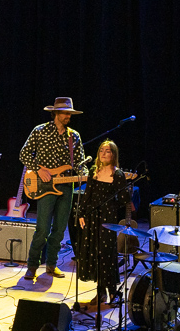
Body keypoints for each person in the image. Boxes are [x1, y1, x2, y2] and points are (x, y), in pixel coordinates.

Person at [20, 97, 87, 280]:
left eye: (70, 114)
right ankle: (32, 265)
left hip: (66, 186)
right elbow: (24, 154)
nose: (69, 117)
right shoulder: (40, 131)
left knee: (59, 229)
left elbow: (80, 164)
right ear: (56, 113)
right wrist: (39, 169)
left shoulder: (74, 136)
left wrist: (86, 174)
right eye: (66, 113)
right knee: (42, 228)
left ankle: (51, 264)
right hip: (44, 186)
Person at [77, 139, 133, 302]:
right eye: (101, 150)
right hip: (91, 216)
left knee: (106, 253)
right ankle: (101, 292)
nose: (103, 153)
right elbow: (87, 194)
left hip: (108, 218)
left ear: (113, 154)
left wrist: (120, 195)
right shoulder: (94, 170)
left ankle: (113, 291)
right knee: (94, 252)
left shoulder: (118, 174)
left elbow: (124, 200)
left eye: (107, 151)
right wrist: (81, 213)